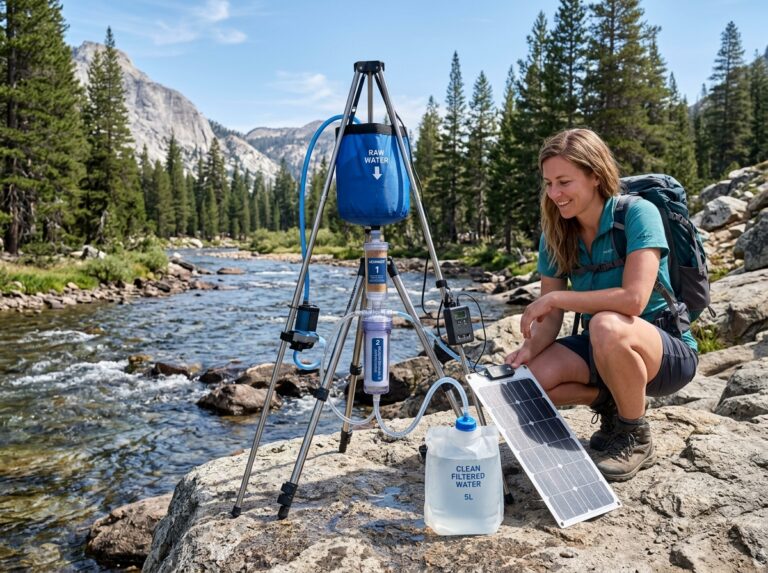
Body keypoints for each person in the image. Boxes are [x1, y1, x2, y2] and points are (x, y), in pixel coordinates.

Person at [505, 128, 698, 482]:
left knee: (606, 323)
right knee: (528, 383)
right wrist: (528, 350)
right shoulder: (556, 231)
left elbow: (634, 301)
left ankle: (635, 436)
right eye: (548, 183)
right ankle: (612, 403)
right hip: (601, 346)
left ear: (595, 175)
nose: (555, 194)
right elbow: (551, 320)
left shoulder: (639, 214)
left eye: (564, 182)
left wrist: (557, 297)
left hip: (663, 348)